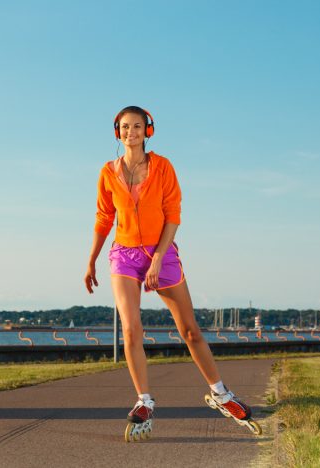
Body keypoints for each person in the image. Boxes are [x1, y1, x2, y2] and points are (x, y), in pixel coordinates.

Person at [84, 106, 260, 441]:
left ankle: (221, 394)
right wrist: (91, 259)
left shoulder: (163, 167)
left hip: (160, 253)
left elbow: (173, 215)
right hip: (124, 255)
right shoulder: (108, 172)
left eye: (137, 126)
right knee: (131, 330)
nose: (130, 132)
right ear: (116, 131)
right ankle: (145, 402)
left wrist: (157, 258)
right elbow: (103, 218)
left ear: (147, 131)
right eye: (124, 127)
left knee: (190, 330)